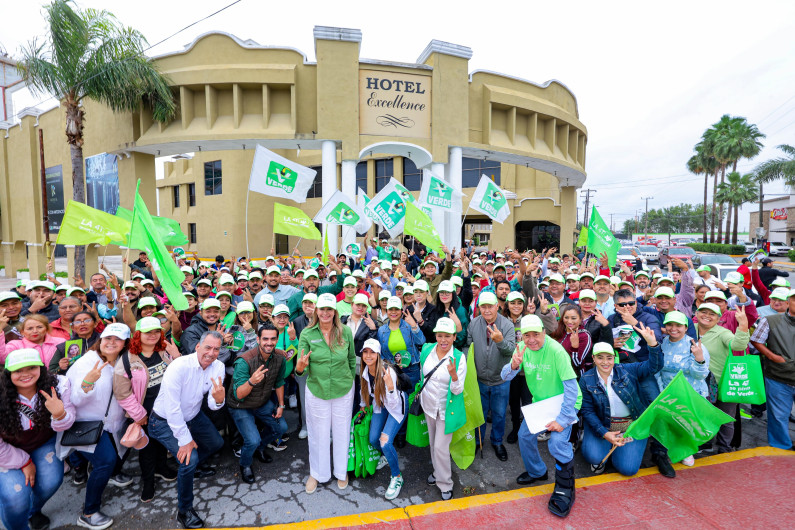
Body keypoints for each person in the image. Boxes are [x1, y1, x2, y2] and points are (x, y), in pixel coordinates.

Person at [500, 314, 581, 518]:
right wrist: (513, 366)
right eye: (527, 335)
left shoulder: (556, 350)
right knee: (524, 436)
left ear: (544, 332)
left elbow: (571, 389)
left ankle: (566, 488)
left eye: (536, 334)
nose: (532, 339)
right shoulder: (521, 349)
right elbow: (504, 376)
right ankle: (538, 472)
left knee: (556, 443)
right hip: (542, 403)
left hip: (565, 402)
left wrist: (563, 420)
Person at [148, 331, 226, 529]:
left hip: (192, 416)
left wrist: (219, 400)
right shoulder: (178, 367)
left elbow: (211, 402)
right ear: (197, 347)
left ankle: (194, 467)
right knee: (189, 458)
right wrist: (184, 439)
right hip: (164, 421)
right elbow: (172, 408)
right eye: (208, 347)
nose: (211, 353)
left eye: (216, 349)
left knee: (217, 443)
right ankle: (184, 511)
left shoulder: (219, 367)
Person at [62, 323, 133, 530]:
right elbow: (72, 400)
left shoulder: (121, 360)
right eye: (107, 338)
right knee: (105, 461)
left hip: (113, 422)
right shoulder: (86, 363)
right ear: (100, 341)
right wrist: (87, 383)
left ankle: (111, 474)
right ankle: (89, 512)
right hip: (88, 424)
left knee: (124, 447)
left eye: (117, 339)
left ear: (124, 343)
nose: (111, 342)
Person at [0, 349, 76, 530]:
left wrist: (59, 414)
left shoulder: (58, 384)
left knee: (51, 481)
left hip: (43, 442)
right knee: (15, 497)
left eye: (32, 367)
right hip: (6, 450)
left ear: (41, 368)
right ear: (8, 373)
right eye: (18, 370)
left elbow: (67, 423)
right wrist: (24, 461)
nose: (25, 374)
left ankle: (33, 511)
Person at [113, 317, 181, 502]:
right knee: (147, 450)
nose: (152, 335)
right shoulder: (127, 360)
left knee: (161, 443)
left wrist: (176, 355)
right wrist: (139, 415)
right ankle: (148, 482)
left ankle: (161, 469)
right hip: (144, 414)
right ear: (138, 334)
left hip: (165, 410)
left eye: (156, 331)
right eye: (148, 332)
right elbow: (122, 393)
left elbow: (180, 371)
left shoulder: (164, 351)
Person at [295, 293, 356, 494]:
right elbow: (300, 367)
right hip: (317, 389)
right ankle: (317, 473)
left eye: (330, 309)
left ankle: (341, 472)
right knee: (317, 433)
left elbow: (351, 359)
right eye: (322, 309)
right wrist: (301, 368)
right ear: (316, 311)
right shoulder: (306, 333)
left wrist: (348, 377)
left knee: (341, 431)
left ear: (335, 312)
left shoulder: (345, 331)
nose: (326, 313)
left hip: (343, 388)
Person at [579, 335, 663, 477]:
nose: (605, 362)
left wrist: (653, 344)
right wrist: (604, 433)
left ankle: (617, 450)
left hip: (630, 426)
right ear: (593, 358)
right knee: (595, 458)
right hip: (604, 426)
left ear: (614, 358)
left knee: (628, 469)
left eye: (609, 357)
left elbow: (654, 366)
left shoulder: (628, 370)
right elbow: (587, 410)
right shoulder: (586, 379)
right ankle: (600, 443)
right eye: (600, 357)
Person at [227, 322, 286, 484]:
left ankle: (260, 448)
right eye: (265, 339)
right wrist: (252, 381)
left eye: (273, 339)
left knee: (281, 428)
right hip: (241, 406)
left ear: (277, 339)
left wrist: (281, 405)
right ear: (258, 339)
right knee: (251, 439)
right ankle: (245, 464)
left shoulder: (280, 357)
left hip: (262, 402)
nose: (269, 342)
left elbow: (280, 381)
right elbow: (238, 395)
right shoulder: (244, 361)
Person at [419, 317, 466, 500]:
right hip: (429, 405)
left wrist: (454, 375)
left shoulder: (459, 359)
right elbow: (423, 375)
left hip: (446, 410)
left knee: (440, 447)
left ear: (455, 337)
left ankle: (445, 483)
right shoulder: (427, 350)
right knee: (433, 443)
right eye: (440, 336)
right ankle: (437, 472)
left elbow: (458, 390)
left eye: (447, 336)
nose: (443, 340)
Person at [655, 311, 710, 466]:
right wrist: (661, 390)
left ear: (686, 327)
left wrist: (699, 359)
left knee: (687, 424)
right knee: (671, 424)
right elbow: (657, 371)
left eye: (678, 325)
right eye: (670, 325)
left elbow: (700, 376)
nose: (674, 328)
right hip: (668, 393)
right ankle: (673, 449)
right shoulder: (662, 344)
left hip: (690, 394)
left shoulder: (694, 345)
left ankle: (687, 450)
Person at [466, 291, 516, 461]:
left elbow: (511, 350)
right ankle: (478, 441)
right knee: (478, 414)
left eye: (490, 306)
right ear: (479, 307)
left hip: (500, 380)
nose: (487, 310)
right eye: (483, 307)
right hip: (479, 380)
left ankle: (496, 441)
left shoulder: (507, 325)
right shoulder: (474, 323)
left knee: (500, 414)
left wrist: (500, 341)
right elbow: (468, 345)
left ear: (497, 307)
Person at [694, 303, 749, 454]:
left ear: (718, 318)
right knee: (702, 416)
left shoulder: (723, 333)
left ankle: (724, 448)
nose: (707, 316)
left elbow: (738, 345)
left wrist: (743, 325)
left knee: (726, 418)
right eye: (703, 312)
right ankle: (704, 444)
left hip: (723, 383)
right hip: (698, 384)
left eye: (712, 314)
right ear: (696, 313)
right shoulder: (690, 329)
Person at [359, 338, 406, 500]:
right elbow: (365, 389)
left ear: (378, 354)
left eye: (372, 352)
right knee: (373, 439)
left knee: (385, 441)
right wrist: (363, 404)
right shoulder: (366, 370)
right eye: (365, 352)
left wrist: (391, 388)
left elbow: (394, 404)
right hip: (381, 404)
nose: (368, 355)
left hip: (396, 406)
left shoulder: (387, 372)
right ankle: (387, 455)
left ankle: (397, 476)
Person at [749, 290, 795, 450]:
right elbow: (755, 340)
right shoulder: (771, 320)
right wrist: (772, 356)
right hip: (778, 376)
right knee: (778, 416)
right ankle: (781, 447)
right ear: (788, 302)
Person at [0, 314, 66, 369]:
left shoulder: (60, 342)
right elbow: (3, 359)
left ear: (46, 329)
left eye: (39, 327)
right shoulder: (15, 345)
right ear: (22, 332)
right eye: (30, 328)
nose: (35, 331)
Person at [550, 304, 593, 376]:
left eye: (573, 318)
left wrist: (574, 348)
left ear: (580, 319)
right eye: (566, 317)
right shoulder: (559, 331)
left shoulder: (584, 336)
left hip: (573, 376)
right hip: (556, 373)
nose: (569, 321)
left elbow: (577, 364)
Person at [432, 280, 468, 350]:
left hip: (455, 350)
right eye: (441, 293)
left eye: (447, 293)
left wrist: (458, 324)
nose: (444, 295)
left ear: (453, 294)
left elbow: (464, 338)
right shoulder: (437, 310)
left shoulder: (460, 311)